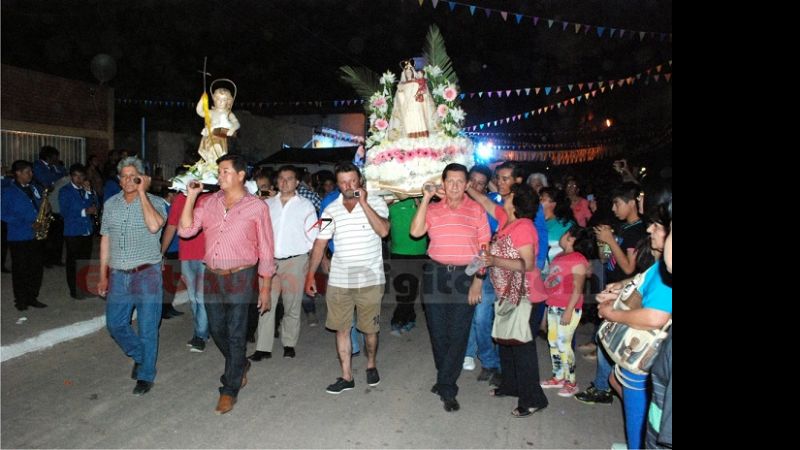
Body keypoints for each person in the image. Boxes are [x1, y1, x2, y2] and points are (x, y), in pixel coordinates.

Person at [179, 154, 275, 414]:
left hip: (241, 275)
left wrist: (265, 288)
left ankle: (229, 388)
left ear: (241, 175)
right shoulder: (209, 202)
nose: (220, 176)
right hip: (211, 274)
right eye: (219, 172)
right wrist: (191, 197)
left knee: (235, 331)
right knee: (217, 327)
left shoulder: (257, 207)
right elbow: (185, 231)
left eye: (225, 171)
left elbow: (266, 249)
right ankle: (240, 363)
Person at [304, 162, 390, 395]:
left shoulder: (377, 202)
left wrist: (363, 202)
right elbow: (320, 242)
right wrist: (311, 274)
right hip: (340, 281)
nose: (348, 186)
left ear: (359, 180)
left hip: (370, 280)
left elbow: (383, 231)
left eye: (352, 181)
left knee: (369, 330)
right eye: (342, 182)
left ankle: (371, 363)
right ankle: (347, 376)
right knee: (341, 329)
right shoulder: (330, 210)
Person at [410, 163, 489, 412]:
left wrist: (479, 279)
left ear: (466, 185)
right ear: (443, 184)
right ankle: (445, 376)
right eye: (450, 181)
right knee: (437, 331)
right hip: (435, 273)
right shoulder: (433, 209)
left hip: (465, 277)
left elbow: (484, 248)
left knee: (458, 333)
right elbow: (415, 231)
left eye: (459, 181)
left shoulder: (476, 209)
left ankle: (447, 386)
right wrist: (425, 199)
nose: (454, 186)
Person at [467, 182, 549, 418]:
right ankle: (511, 386)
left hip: (527, 296)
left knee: (523, 347)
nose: (504, 194)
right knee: (506, 342)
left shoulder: (523, 227)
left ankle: (534, 399)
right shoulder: (506, 218)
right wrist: (467, 187)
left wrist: (494, 260)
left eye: (509, 193)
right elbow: (484, 201)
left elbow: (528, 264)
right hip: (509, 293)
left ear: (517, 200)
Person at [598, 187, 672, 450]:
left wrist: (613, 313)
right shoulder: (661, 261)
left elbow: (655, 316)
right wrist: (622, 287)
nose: (650, 230)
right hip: (645, 354)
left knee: (643, 410)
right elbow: (643, 277)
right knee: (616, 382)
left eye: (658, 227)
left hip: (646, 353)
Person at [97, 157, 168, 396]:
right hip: (118, 274)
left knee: (148, 327)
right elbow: (105, 239)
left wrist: (142, 194)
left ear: (141, 177)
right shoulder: (110, 204)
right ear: (118, 180)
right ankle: (142, 355)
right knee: (115, 324)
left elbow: (154, 226)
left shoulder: (156, 202)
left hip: (147, 274)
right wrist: (102, 275)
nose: (128, 180)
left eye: (133, 176)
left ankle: (146, 373)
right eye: (124, 176)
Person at [249, 165, 317, 361]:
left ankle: (289, 343)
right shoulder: (267, 204)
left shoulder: (306, 205)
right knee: (265, 303)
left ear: (297, 182)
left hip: (295, 261)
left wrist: (312, 262)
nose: (285, 182)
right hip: (269, 262)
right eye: (281, 178)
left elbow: (313, 235)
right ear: (277, 181)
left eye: (289, 178)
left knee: (292, 305)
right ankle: (263, 347)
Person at [540, 226, 596, 397]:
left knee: (564, 345)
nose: (561, 237)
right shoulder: (559, 257)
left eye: (565, 234)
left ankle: (571, 381)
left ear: (571, 239)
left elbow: (577, 287)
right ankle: (558, 377)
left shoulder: (578, 259)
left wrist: (569, 310)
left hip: (567, 308)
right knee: (553, 342)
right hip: (553, 306)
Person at [162, 190, 211, 352]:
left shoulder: (210, 198)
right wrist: (161, 252)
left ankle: (200, 335)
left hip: (206, 256)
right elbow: (172, 225)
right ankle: (203, 329)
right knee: (193, 297)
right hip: (186, 256)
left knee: (201, 297)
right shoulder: (180, 199)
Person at [1, 160, 48, 310]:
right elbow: (3, 213)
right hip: (19, 236)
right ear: (18, 173)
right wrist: (27, 223)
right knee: (20, 269)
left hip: (35, 234)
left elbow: (40, 203)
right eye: (28, 172)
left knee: (36, 268)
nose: (31, 174)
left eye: (31, 172)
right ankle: (20, 300)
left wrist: (45, 209)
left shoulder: (34, 188)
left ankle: (32, 296)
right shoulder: (8, 191)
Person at [59, 164, 98, 299]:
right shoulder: (65, 191)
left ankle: (83, 287)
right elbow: (64, 211)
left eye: (81, 176)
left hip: (86, 230)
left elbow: (94, 204)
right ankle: (74, 290)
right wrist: (84, 211)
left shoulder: (85, 190)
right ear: (71, 176)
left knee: (85, 262)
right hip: (73, 231)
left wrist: (89, 193)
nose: (79, 179)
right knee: (73, 263)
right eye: (76, 176)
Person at [388, 59, 439, 139]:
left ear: (412, 71)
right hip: (407, 108)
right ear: (404, 73)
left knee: (420, 123)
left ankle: (423, 139)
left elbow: (425, 95)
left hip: (418, 107)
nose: (408, 72)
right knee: (409, 125)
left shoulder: (418, 82)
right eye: (406, 71)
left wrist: (422, 95)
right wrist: (401, 91)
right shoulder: (402, 85)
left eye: (409, 70)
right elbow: (400, 101)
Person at [196, 87, 241, 163]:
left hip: (221, 135)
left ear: (228, 101)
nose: (220, 102)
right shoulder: (211, 112)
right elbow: (200, 112)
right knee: (209, 151)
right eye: (218, 99)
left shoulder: (228, 113)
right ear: (214, 99)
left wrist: (232, 128)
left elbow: (237, 123)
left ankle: (215, 163)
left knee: (217, 148)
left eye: (223, 100)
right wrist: (202, 100)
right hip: (209, 137)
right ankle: (210, 164)